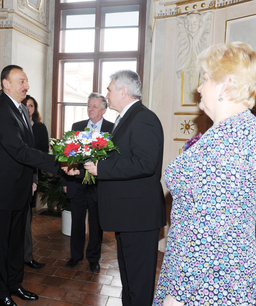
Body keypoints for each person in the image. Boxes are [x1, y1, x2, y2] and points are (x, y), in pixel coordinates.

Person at [153, 42, 256, 306]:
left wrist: (177, 295)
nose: (199, 88)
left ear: (224, 84)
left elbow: (210, 233)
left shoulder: (228, 143)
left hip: (208, 282)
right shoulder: (238, 129)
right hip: (214, 271)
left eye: (204, 79)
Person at [84, 70, 166, 306]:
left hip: (138, 215)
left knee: (138, 281)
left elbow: (145, 163)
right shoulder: (126, 118)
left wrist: (102, 170)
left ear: (123, 91)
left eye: (109, 89)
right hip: (128, 215)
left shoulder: (143, 118)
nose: (107, 94)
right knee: (129, 276)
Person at [0, 65, 59, 306]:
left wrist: (32, 180)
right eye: (21, 81)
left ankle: (15, 284)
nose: (26, 86)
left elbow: (31, 147)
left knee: (17, 242)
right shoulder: (0, 111)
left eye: (26, 81)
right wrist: (57, 162)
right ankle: (0, 293)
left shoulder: (19, 109)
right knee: (1, 245)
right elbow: (18, 151)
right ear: (5, 84)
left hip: (21, 188)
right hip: (4, 191)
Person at [63, 93, 114, 273]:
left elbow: (113, 159)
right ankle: (75, 256)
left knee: (95, 223)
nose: (90, 109)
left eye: (94, 106)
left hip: (98, 185)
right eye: (89, 105)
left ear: (104, 109)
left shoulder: (112, 129)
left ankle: (93, 258)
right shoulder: (77, 127)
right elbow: (67, 155)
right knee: (77, 221)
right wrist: (66, 180)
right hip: (77, 182)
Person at [21, 94, 49, 269]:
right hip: (15, 176)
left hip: (32, 173)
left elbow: (43, 151)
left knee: (26, 216)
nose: (28, 108)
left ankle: (27, 255)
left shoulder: (39, 127)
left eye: (31, 106)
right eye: (26, 105)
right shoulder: (15, 126)